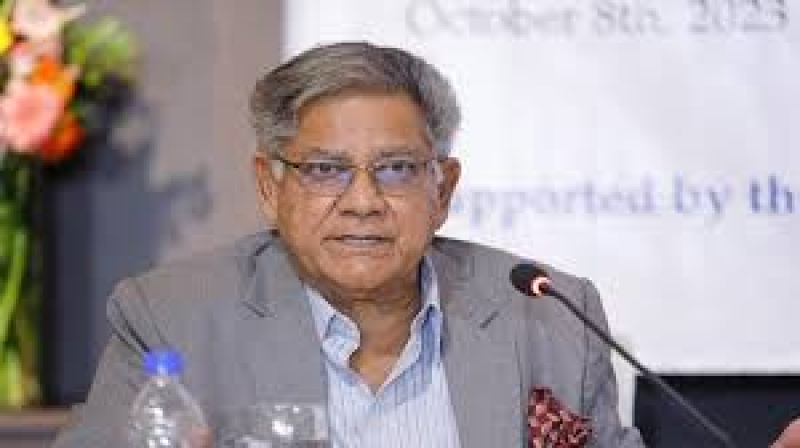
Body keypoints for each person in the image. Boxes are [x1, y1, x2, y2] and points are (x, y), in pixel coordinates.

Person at [52, 41, 647, 447]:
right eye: (325, 170)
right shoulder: (171, 318)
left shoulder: (549, 316)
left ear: (443, 190)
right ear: (269, 187)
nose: (363, 201)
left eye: (396, 168)